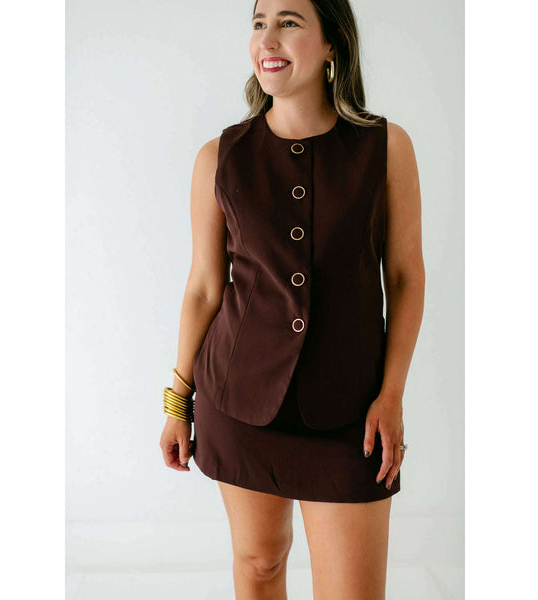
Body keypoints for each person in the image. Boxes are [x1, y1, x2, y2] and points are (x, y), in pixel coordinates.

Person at [160, 0, 424, 598]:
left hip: (352, 413)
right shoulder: (219, 157)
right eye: (259, 24)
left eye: (288, 22)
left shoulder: (386, 148)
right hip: (238, 400)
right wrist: (178, 402)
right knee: (258, 565)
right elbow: (204, 288)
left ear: (333, 44)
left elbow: (406, 277)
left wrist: (391, 395)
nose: (267, 39)